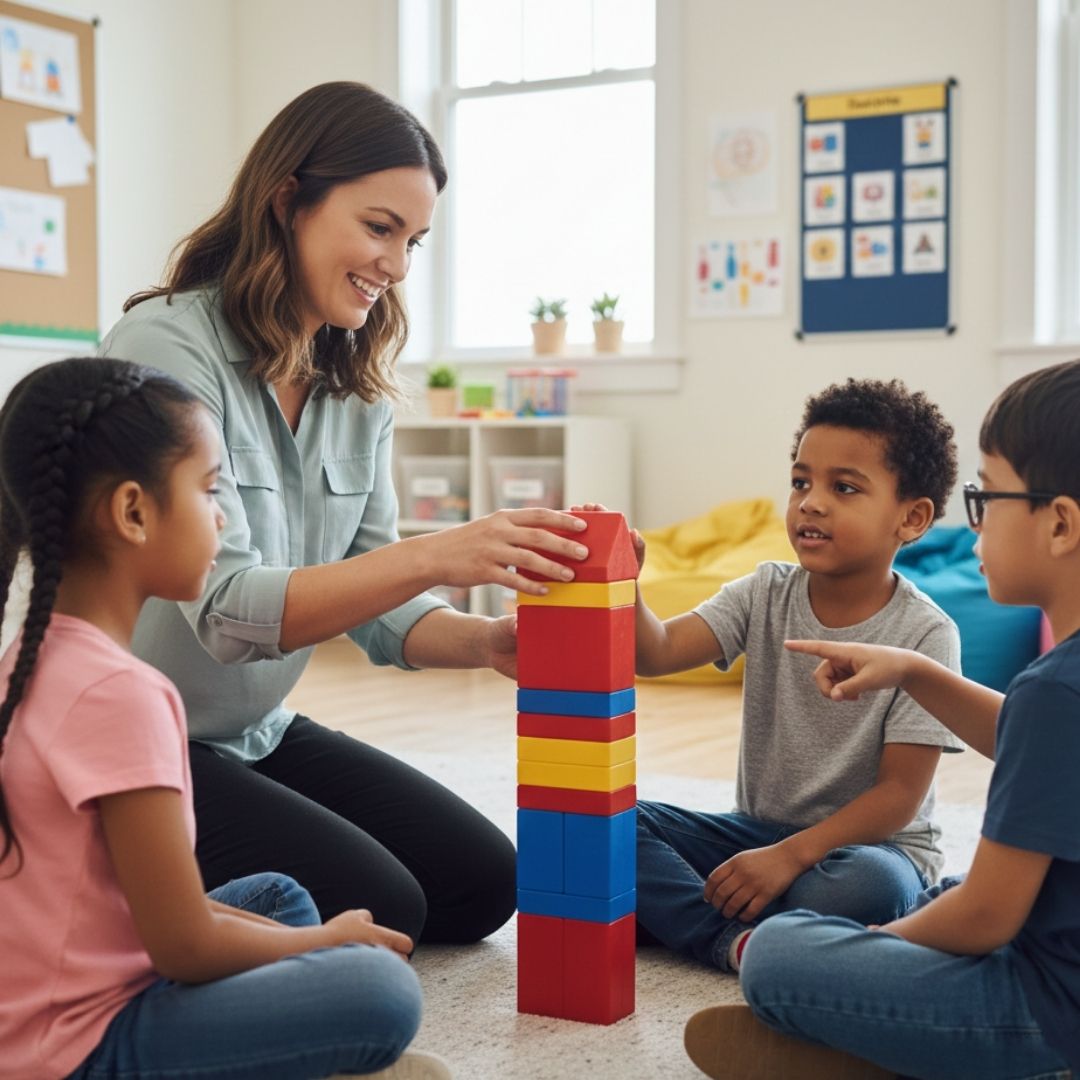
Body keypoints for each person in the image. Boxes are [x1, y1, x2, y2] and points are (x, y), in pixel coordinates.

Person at [98, 81, 590, 945]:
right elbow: (224, 610)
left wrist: (485, 643)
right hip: (132, 741)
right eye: (378, 227)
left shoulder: (353, 384)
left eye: (413, 240)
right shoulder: (166, 349)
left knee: (481, 885)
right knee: (384, 903)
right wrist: (440, 553)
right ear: (288, 200)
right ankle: (107, 883)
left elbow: (381, 599)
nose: (397, 265)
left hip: (252, 731)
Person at [0, 356, 452, 1080]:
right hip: (76, 1047)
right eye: (212, 491)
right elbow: (183, 948)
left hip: (60, 985)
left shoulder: (34, 655)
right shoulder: (121, 694)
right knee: (382, 989)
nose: (221, 517)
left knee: (275, 896)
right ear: (133, 512)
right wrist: (323, 946)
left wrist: (313, 939)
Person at [684, 360, 1080, 1080]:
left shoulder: (1057, 691)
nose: (977, 518)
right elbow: (1029, 734)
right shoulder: (1059, 692)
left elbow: (986, 919)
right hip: (1054, 960)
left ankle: (891, 1048)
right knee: (946, 889)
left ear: (1058, 524)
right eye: (801, 481)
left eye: (986, 496)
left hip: (1047, 1014)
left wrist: (876, 946)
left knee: (782, 954)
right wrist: (916, 672)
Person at [633, 378, 964, 972]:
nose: (810, 502)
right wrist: (622, 585)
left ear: (911, 518)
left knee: (862, 891)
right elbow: (654, 653)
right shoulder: (764, 590)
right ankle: (737, 938)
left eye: (843, 487)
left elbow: (899, 797)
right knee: (609, 827)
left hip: (870, 852)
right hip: (756, 835)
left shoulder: (927, 634)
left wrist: (792, 857)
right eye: (800, 482)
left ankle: (702, 916)